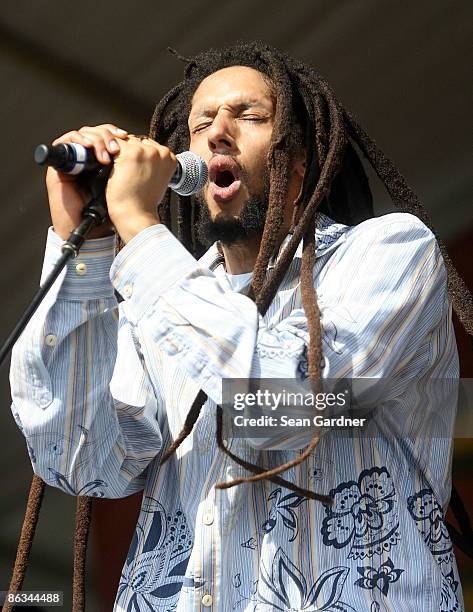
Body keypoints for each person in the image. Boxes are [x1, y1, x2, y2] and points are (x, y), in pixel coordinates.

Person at [10, 41, 469, 611]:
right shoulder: (158, 300)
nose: (217, 132)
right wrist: (86, 251)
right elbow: (82, 461)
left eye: (248, 115)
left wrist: (137, 225)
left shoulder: (390, 253)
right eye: (201, 122)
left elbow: (286, 410)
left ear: (300, 159)